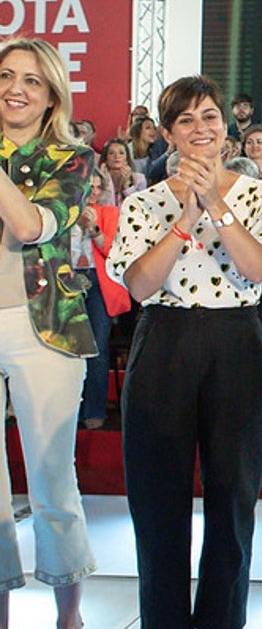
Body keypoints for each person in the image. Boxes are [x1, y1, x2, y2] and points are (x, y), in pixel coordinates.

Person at [108, 74, 262, 629]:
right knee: (157, 498)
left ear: (226, 126)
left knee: (234, 493)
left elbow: (258, 268)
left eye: (209, 116)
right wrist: (184, 217)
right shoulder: (142, 201)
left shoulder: (259, 195)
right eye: (185, 120)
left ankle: (228, 627)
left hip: (236, 341)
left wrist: (217, 204)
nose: (201, 128)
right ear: (166, 134)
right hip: (164, 343)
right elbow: (138, 286)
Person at [0, 36, 97, 629]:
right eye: (6, 75)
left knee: (52, 486)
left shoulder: (71, 158)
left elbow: (34, 226)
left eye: (33, 80)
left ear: (52, 94)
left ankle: (68, 622)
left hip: (47, 332)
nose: (16, 88)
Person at [75, 166, 131, 431]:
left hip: (98, 283)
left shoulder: (110, 213)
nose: (94, 192)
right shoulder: (64, 213)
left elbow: (112, 249)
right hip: (69, 278)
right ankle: (70, 411)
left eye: (98, 187)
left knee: (96, 348)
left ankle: (94, 410)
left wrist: (94, 229)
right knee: (69, 350)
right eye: (90, 186)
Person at [101, 138, 147, 203]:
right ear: (105, 159)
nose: (117, 156)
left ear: (127, 158)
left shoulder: (139, 179)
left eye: (121, 153)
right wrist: (104, 182)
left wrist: (127, 185)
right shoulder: (97, 179)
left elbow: (138, 205)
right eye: (111, 153)